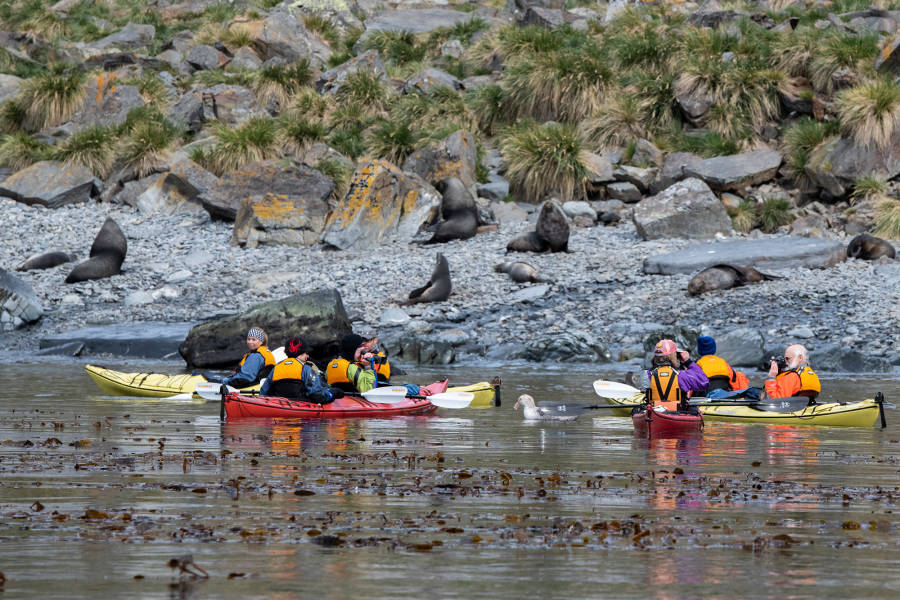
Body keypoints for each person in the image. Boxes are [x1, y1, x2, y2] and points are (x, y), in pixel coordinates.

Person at [260, 336, 343, 404]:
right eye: (306, 353)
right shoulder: (306, 369)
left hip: (278, 406)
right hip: (301, 409)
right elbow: (317, 395)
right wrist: (333, 393)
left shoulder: (276, 368)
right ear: (300, 352)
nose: (308, 356)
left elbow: (263, 393)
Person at [637, 339, 709, 411]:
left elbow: (644, 391)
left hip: (653, 414)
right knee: (694, 410)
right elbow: (704, 382)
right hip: (677, 414)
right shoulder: (682, 375)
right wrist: (688, 362)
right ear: (672, 356)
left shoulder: (647, 375)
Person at [326, 333, 392, 393]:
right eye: (360, 351)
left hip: (340, 400)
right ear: (353, 350)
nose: (361, 355)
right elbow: (369, 391)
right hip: (354, 402)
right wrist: (368, 367)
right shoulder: (351, 368)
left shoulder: (331, 364)